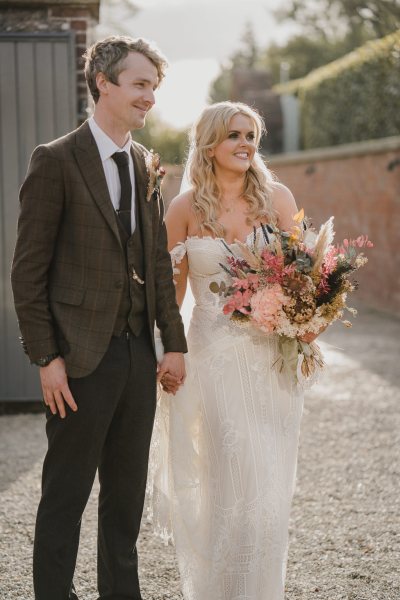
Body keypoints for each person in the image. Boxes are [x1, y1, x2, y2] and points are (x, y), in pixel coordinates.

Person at [11, 36, 187, 600]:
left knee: (125, 500)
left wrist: (173, 343)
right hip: (79, 359)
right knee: (65, 497)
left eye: (154, 89)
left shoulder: (144, 164)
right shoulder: (56, 160)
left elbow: (158, 263)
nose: (149, 99)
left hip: (138, 357)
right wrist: (46, 358)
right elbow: (27, 273)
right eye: (140, 85)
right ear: (103, 83)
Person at [149, 101, 321, 600]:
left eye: (251, 135)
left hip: (272, 360)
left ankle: (261, 590)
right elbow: (170, 295)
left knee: (270, 482)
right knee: (232, 472)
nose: (246, 144)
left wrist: (309, 321)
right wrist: (169, 351)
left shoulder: (278, 198)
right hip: (214, 358)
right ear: (209, 144)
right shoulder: (182, 209)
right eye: (234, 136)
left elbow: (308, 279)